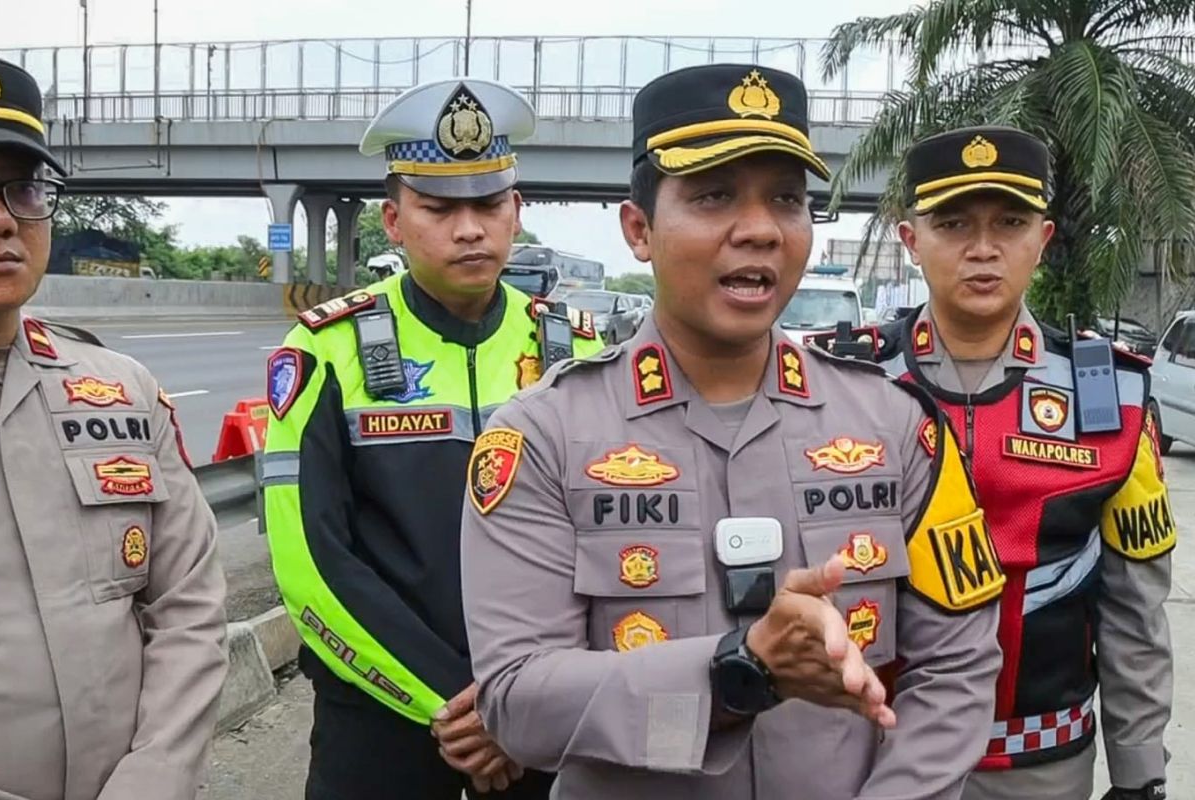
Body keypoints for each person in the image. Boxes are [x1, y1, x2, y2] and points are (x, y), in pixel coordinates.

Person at [459, 63, 1005, 800]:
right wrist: (734, 672)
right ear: (639, 229)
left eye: (786, 199)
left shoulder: (896, 425)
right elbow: (518, 703)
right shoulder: (542, 437)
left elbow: (960, 668)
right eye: (714, 196)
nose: (758, 231)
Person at [261, 77, 604, 800]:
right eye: (439, 208)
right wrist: (454, 703)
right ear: (392, 219)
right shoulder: (326, 350)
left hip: (543, 717)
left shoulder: (577, 350)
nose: (469, 229)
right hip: (382, 720)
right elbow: (310, 564)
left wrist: (521, 699)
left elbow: (613, 546)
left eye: (487, 204)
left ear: (518, 211)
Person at [857, 125, 1172, 800]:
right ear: (911, 241)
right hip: (873, 752)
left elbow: (1135, 613)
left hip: (1042, 764)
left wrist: (1139, 774)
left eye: (1009, 222)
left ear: (1044, 239)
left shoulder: (1110, 396)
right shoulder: (848, 385)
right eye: (952, 223)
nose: (982, 248)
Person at [0, 57, 228, 799]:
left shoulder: (119, 389)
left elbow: (188, 608)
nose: (5, 217)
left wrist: (154, 778)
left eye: (24, 188)